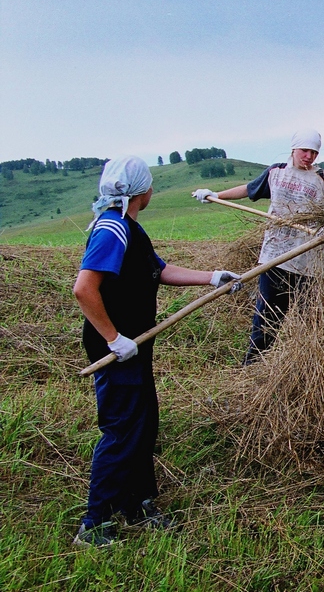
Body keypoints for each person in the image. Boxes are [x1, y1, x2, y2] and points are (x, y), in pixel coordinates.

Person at [73, 156, 241, 547]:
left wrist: (212, 278)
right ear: (141, 191)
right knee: (120, 430)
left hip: (136, 345)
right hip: (117, 351)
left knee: (143, 425)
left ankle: (135, 502)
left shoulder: (130, 227)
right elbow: (84, 289)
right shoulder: (112, 230)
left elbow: (159, 271)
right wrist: (114, 339)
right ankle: (94, 522)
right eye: (150, 185)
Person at [192, 129, 324, 364]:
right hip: (275, 256)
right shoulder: (276, 172)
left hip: (308, 260)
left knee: (309, 319)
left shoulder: (322, 179)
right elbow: (249, 189)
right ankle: (253, 366)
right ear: (293, 149)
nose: (309, 156)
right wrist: (216, 194)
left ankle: (304, 366)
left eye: (314, 152)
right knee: (267, 316)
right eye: (305, 151)